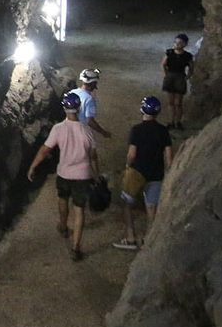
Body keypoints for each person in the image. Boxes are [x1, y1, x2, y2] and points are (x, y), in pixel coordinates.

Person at [27, 92, 101, 261]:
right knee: (79, 209)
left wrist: (33, 166)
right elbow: (93, 156)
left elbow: (45, 150)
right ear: (79, 108)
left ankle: (63, 226)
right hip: (83, 175)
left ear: (64, 108)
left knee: (63, 199)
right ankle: (75, 247)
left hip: (64, 173)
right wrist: (96, 175)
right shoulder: (87, 130)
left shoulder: (58, 129)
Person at [115, 96, 173, 250]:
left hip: (137, 173)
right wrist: (168, 172)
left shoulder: (136, 130)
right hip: (156, 174)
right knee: (151, 208)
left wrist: (127, 166)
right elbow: (168, 156)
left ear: (142, 110)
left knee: (126, 204)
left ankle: (131, 238)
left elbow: (132, 153)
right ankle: (150, 241)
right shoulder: (163, 130)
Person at [161, 35, 194, 130]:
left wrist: (187, 77)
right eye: (176, 42)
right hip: (171, 77)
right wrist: (166, 75)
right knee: (171, 102)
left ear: (185, 44)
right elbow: (163, 64)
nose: (176, 44)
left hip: (179, 77)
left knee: (178, 102)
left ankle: (177, 122)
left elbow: (191, 67)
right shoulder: (169, 53)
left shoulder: (187, 56)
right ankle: (171, 122)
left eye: (179, 43)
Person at [69, 68, 112, 139]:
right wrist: (103, 132)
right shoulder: (89, 98)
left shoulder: (72, 92)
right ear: (93, 83)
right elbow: (90, 121)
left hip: (68, 129)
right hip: (80, 132)